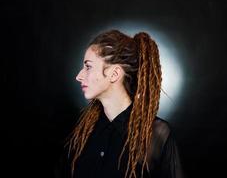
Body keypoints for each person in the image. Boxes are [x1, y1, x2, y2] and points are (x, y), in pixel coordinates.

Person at [56, 29, 185, 178]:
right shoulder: (82, 131)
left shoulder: (156, 135)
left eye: (88, 66)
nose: (79, 76)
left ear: (115, 74)